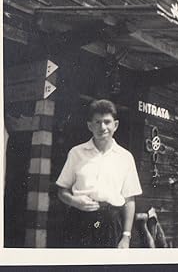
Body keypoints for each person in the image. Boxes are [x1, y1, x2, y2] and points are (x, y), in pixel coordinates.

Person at [56, 99, 142, 248]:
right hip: (78, 220)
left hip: (111, 222)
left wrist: (126, 237)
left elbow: (129, 199)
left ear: (115, 125)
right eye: (97, 122)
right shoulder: (76, 153)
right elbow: (62, 191)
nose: (102, 127)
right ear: (90, 126)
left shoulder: (125, 157)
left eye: (107, 122)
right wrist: (74, 201)